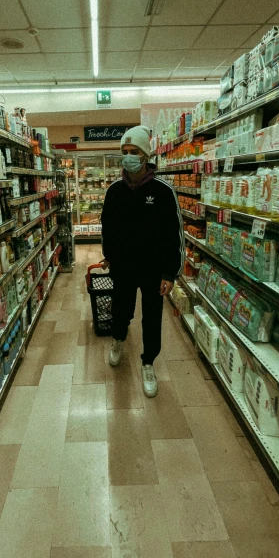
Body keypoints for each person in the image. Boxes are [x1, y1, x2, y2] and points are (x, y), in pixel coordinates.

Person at [101, 125, 184, 398]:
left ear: (145, 155)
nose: (128, 157)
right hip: (123, 267)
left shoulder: (162, 192)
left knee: (152, 318)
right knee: (120, 310)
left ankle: (148, 362)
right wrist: (109, 256)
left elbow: (174, 235)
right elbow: (107, 228)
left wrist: (170, 273)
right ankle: (118, 340)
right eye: (124, 152)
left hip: (153, 270)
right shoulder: (114, 191)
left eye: (133, 152)